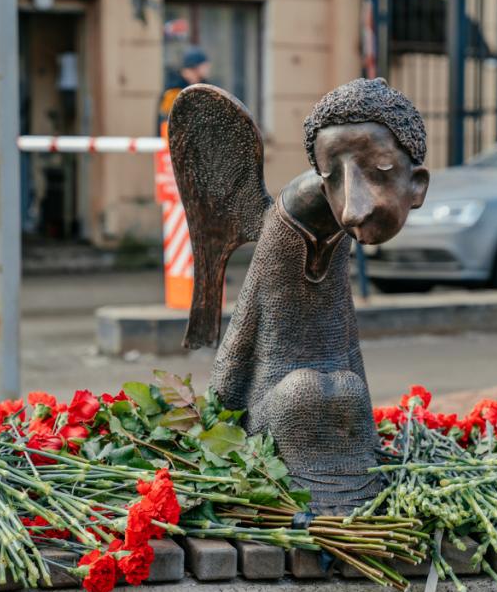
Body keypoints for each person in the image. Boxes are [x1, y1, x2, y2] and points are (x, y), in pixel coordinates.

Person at [168, 78, 429, 511]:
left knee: (343, 389)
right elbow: (243, 334)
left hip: (326, 431)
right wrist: (213, 431)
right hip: (274, 427)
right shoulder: (287, 230)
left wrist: (365, 435)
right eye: (333, 179)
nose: (353, 207)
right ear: (322, 181)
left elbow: (345, 341)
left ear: (417, 184)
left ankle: (346, 479)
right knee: (306, 391)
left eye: (380, 173)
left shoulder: (334, 224)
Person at [157, 47, 212, 134]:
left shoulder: (204, 87)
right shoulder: (173, 91)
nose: (208, 68)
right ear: (195, 67)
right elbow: (167, 122)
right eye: (204, 65)